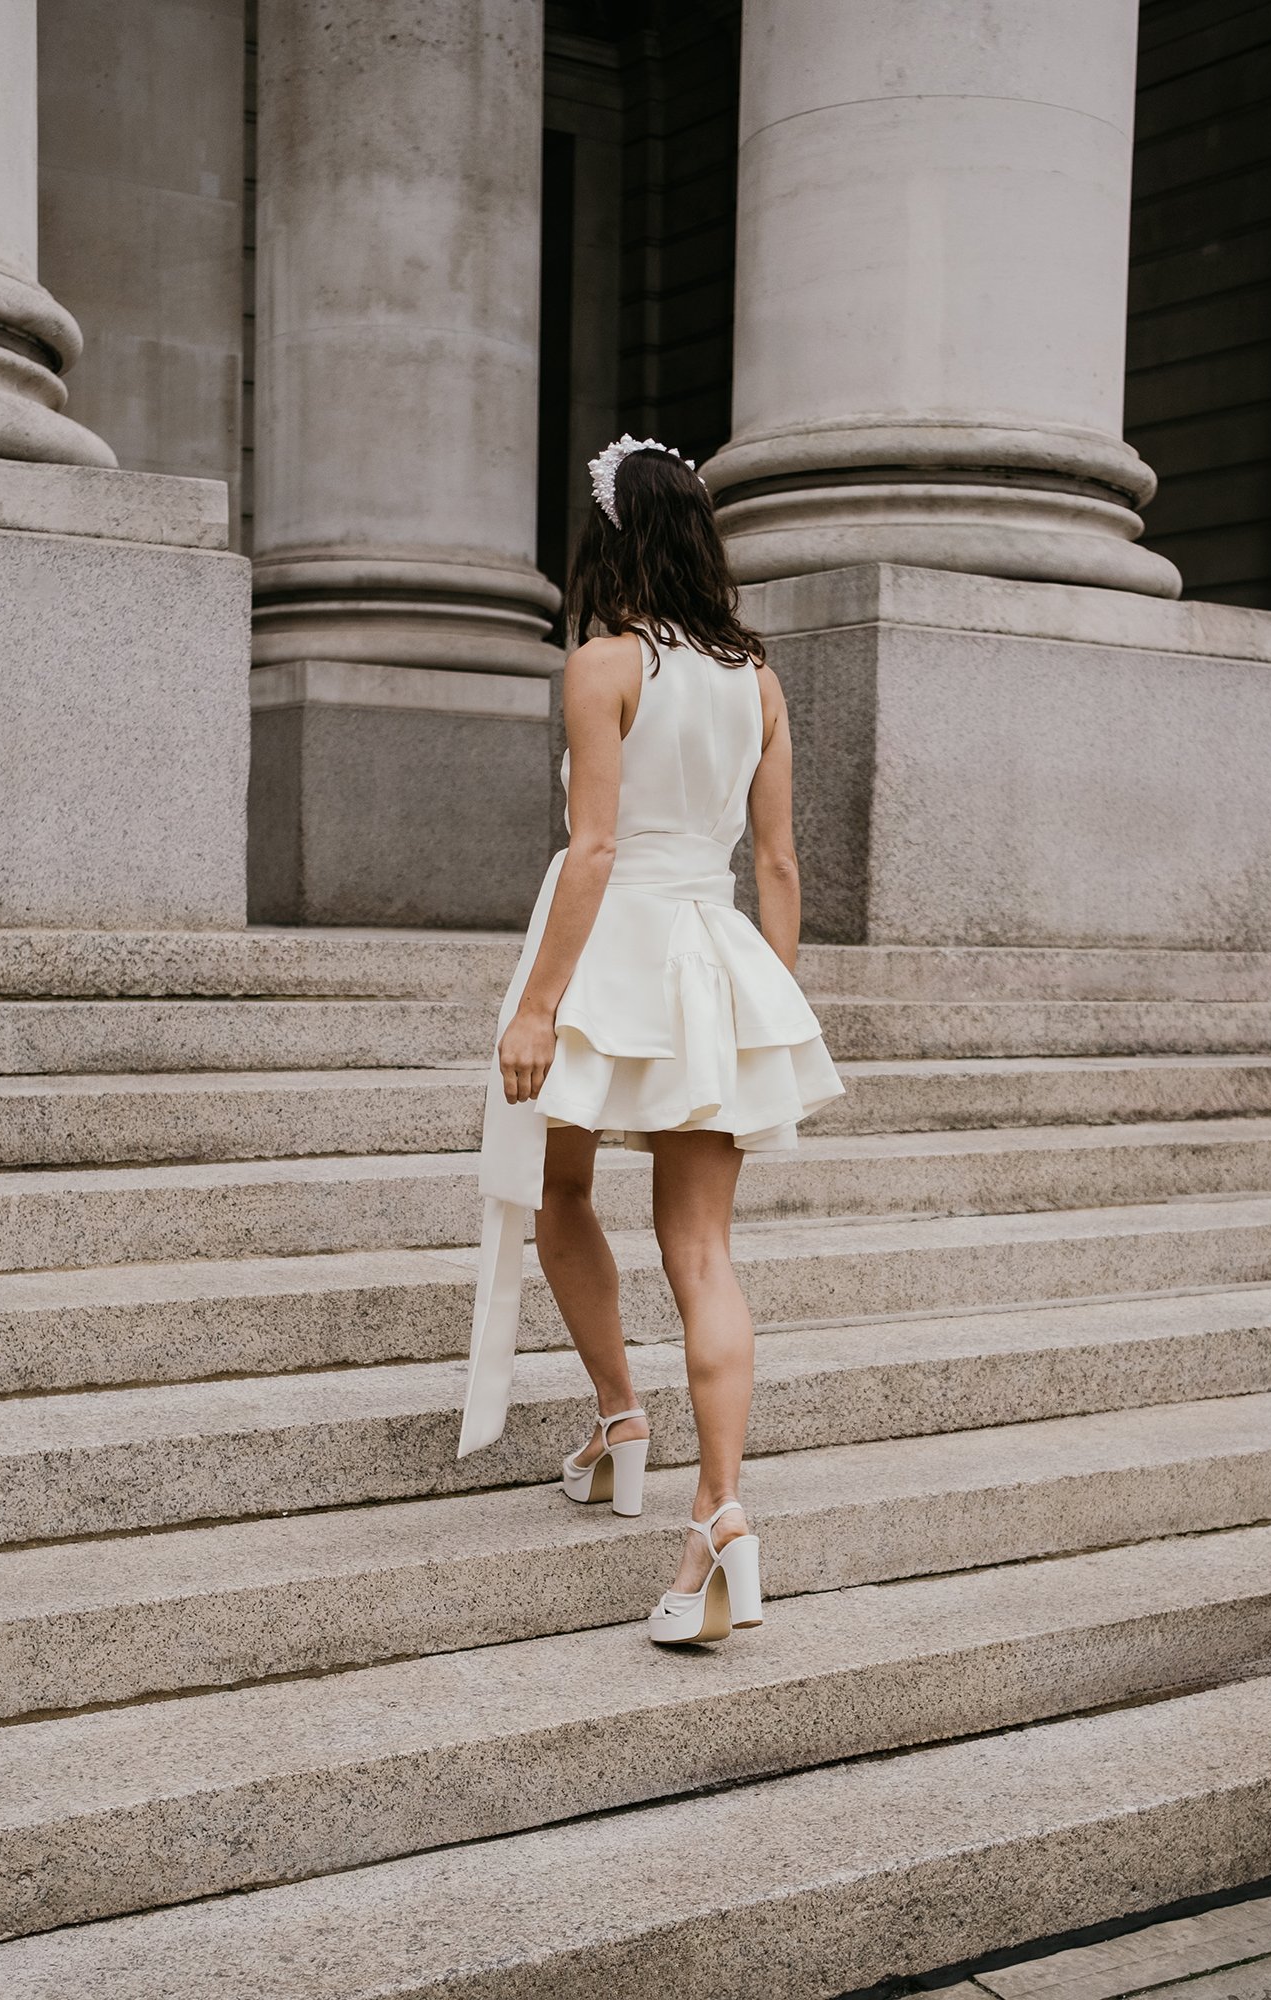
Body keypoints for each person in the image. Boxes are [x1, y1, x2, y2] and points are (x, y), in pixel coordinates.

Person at [458, 432, 845, 1645]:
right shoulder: (756, 677)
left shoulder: (603, 661)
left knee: (558, 1187)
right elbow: (776, 864)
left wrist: (535, 1006)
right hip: (712, 952)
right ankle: (715, 1507)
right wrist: (758, 1001)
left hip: (611, 953)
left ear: (609, 541)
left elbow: (595, 848)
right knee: (703, 1251)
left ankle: (621, 1407)